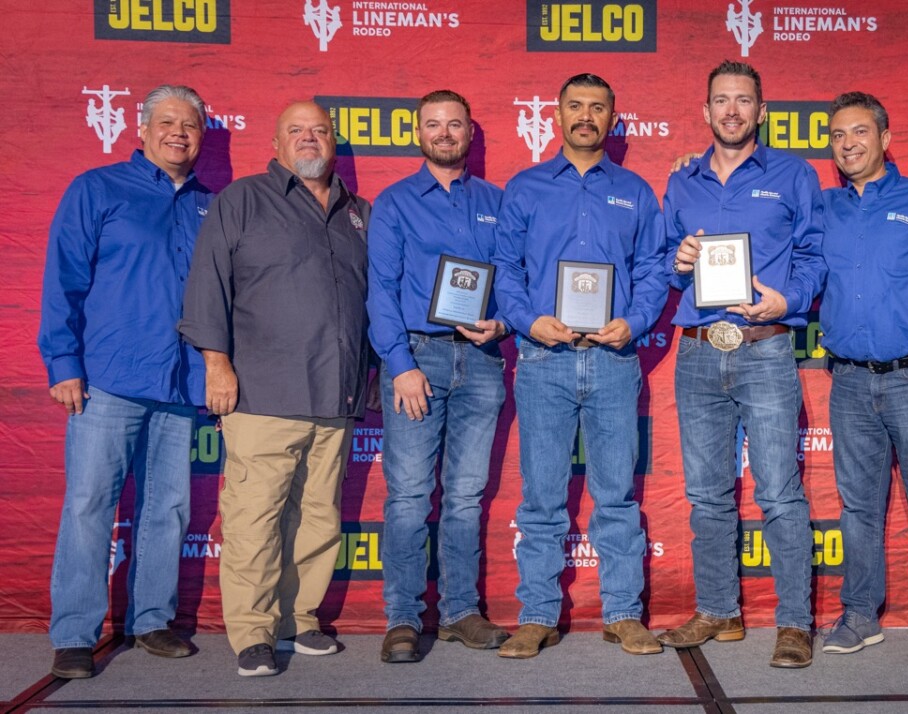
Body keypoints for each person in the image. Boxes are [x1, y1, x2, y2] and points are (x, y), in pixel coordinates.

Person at [179, 101, 371, 677]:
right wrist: (217, 364)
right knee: (254, 518)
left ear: (333, 142)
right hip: (263, 391)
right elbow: (207, 286)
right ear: (277, 141)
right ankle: (253, 633)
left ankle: (300, 620)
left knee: (318, 517)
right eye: (297, 130)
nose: (309, 139)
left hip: (335, 396)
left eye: (319, 131)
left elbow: (373, 300)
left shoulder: (358, 212)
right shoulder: (241, 200)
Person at [38, 84, 211, 679]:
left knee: (167, 507)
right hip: (107, 379)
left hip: (180, 382)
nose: (178, 133)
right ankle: (75, 634)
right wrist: (63, 364)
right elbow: (63, 279)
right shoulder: (97, 188)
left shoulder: (208, 205)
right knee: (90, 505)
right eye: (166, 122)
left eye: (189, 125)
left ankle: (152, 620)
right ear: (140, 129)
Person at [492, 73, 667, 659]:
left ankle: (623, 613)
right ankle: (537, 614)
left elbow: (652, 270)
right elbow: (505, 269)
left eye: (597, 108)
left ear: (613, 118)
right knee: (542, 496)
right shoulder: (525, 188)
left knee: (616, 495)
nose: (585, 116)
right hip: (544, 359)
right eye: (575, 106)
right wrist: (527, 320)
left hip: (616, 359)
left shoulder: (637, 192)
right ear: (557, 115)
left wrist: (636, 322)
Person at [657, 60, 825, 669]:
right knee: (707, 495)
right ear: (705, 111)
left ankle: (794, 623)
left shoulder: (793, 174)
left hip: (766, 348)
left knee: (779, 492)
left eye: (743, 100)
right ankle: (719, 610)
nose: (731, 110)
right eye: (720, 100)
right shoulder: (682, 180)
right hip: (699, 353)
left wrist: (790, 298)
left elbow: (814, 254)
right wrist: (675, 260)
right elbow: (658, 259)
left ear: (761, 110)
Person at [819, 91, 908, 666]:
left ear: (885, 138)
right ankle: (859, 615)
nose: (848, 144)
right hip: (850, 381)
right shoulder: (822, 207)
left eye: (859, 132)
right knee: (858, 508)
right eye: (837, 136)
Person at [367, 90, 509, 663]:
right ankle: (403, 618)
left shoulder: (499, 201)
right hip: (417, 358)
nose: (445, 133)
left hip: (481, 360)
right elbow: (379, 288)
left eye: (455, 124)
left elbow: (516, 281)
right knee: (407, 495)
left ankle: (459, 612)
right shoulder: (395, 202)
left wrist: (501, 323)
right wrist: (399, 366)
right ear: (418, 133)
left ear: (471, 133)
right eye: (434, 124)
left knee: (467, 495)